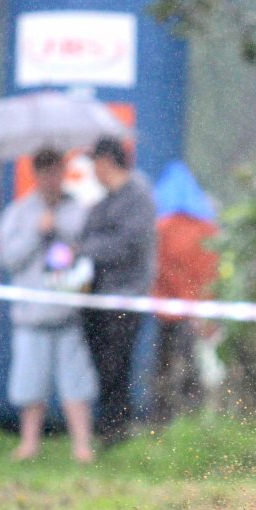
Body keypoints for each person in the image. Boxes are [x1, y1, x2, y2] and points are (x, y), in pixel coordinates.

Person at [0, 147, 97, 464]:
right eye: (47, 172)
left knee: (76, 384)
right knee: (30, 383)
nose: (54, 179)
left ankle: (82, 446)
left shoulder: (77, 210)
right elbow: (9, 258)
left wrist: (60, 234)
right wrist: (36, 233)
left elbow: (87, 252)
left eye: (58, 172)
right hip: (31, 313)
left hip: (69, 312)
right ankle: (29, 444)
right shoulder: (18, 212)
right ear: (37, 174)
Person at [80, 136, 157, 447]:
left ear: (106, 162)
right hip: (97, 294)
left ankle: (118, 429)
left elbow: (128, 244)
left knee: (117, 364)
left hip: (126, 294)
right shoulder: (102, 202)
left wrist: (88, 250)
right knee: (102, 364)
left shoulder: (138, 196)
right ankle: (109, 427)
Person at [149, 160, 220, 424]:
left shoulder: (162, 228)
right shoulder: (208, 229)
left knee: (167, 371)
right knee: (194, 373)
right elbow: (212, 274)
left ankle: (163, 425)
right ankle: (192, 423)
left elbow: (158, 271)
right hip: (200, 313)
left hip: (170, 313)